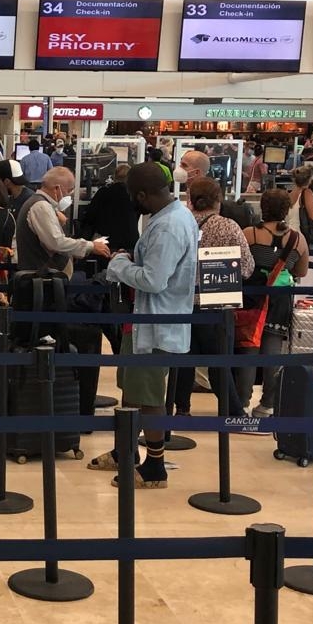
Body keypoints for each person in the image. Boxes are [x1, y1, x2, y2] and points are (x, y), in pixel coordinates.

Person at [92, 162, 199, 489]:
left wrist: (119, 264)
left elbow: (154, 280)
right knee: (133, 390)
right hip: (142, 322)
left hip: (155, 324)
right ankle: (125, 450)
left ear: (142, 194)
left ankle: (155, 467)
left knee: (150, 395)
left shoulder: (168, 227)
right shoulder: (170, 218)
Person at [170, 178, 253, 418]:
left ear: (190, 198)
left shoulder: (178, 224)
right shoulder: (228, 227)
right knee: (219, 359)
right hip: (217, 301)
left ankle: (181, 408)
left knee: (183, 358)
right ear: (219, 199)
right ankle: (232, 410)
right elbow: (247, 267)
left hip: (181, 301)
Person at [237, 190, 309, 416]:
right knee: (272, 352)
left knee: (248, 349)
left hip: (253, 296)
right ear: (286, 210)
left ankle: (241, 403)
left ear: (263, 208)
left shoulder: (250, 234)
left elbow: (239, 265)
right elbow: (302, 271)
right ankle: (268, 404)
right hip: (281, 298)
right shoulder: (298, 239)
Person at [16, 167, 111, 276]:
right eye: (69, 190)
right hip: (40, 279)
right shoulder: (41, 206)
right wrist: (90, 246)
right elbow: (56, 242)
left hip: (43, 277)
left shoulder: (40, 204)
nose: (69, 195)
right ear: (57, 189)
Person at [177, 149, 258, 229]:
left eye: (184, 165)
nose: (179, 168)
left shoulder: (209, 198)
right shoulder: (189, 191)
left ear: (197, 172)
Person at [80, 164, 139, 253]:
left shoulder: (103, 192)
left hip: (107, 242)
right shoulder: (134, 196)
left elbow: (90, 217)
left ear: (115, 177)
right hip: (130, 242)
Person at [289, 164, 313, 247]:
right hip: (301, 236)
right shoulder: (307, 192)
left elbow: (299, 211)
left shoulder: (291, 193)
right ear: (310, 179)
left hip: (290, 234)